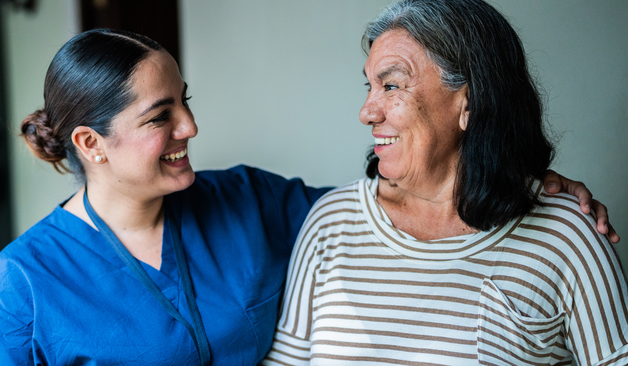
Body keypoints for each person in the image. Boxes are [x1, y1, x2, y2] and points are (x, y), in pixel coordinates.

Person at [0, 29, 617, 365]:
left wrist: (524, 180)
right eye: (159, 116)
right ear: (91, 142)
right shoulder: (22, 283)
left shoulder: (252, 202)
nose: (190, 128)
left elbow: (408, 199)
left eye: (186, 102)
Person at [265, 0, 628, 364]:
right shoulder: (332, 222)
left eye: (391, 86)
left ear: (469, 102)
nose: (366, 112)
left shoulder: (567, 235)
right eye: (370, 85)